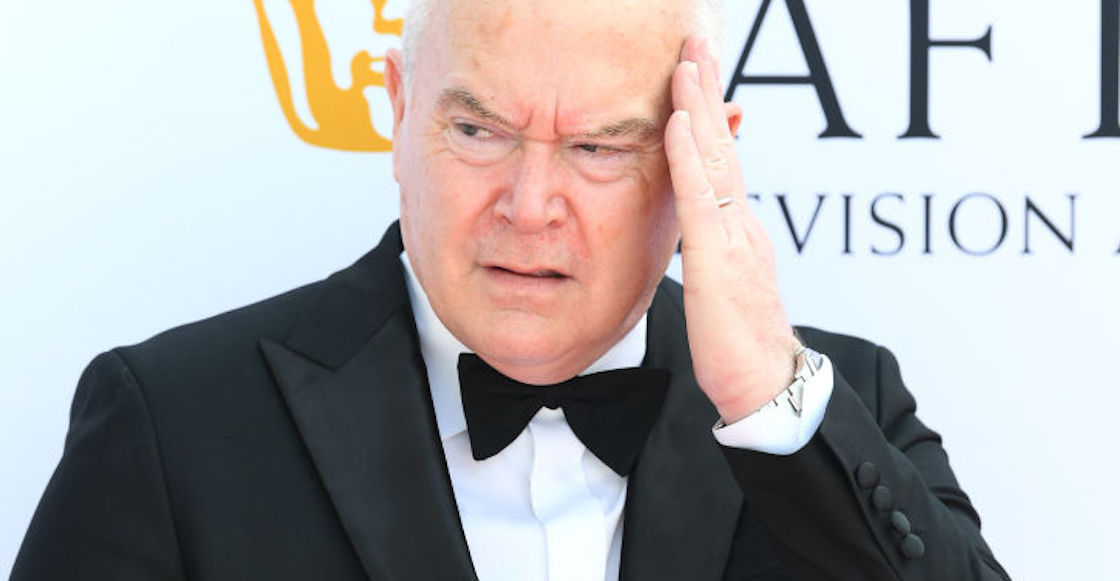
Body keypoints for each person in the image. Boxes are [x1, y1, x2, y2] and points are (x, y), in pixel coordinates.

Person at [11, 0, 1010, 580]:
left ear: (697, 158)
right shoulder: (174, 424)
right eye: (479, 131)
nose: (530, 207)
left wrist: (765, 401)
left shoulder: (832, 410)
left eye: (597, 147)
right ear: (399, 113)